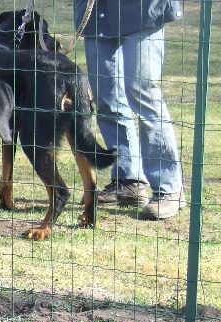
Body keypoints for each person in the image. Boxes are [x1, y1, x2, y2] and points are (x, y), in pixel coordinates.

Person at [75, 0, 185, 219]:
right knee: (106, 98)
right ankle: (128, 181)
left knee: (142, 91)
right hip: (98, 12)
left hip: (143, 8)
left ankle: (169, 187)